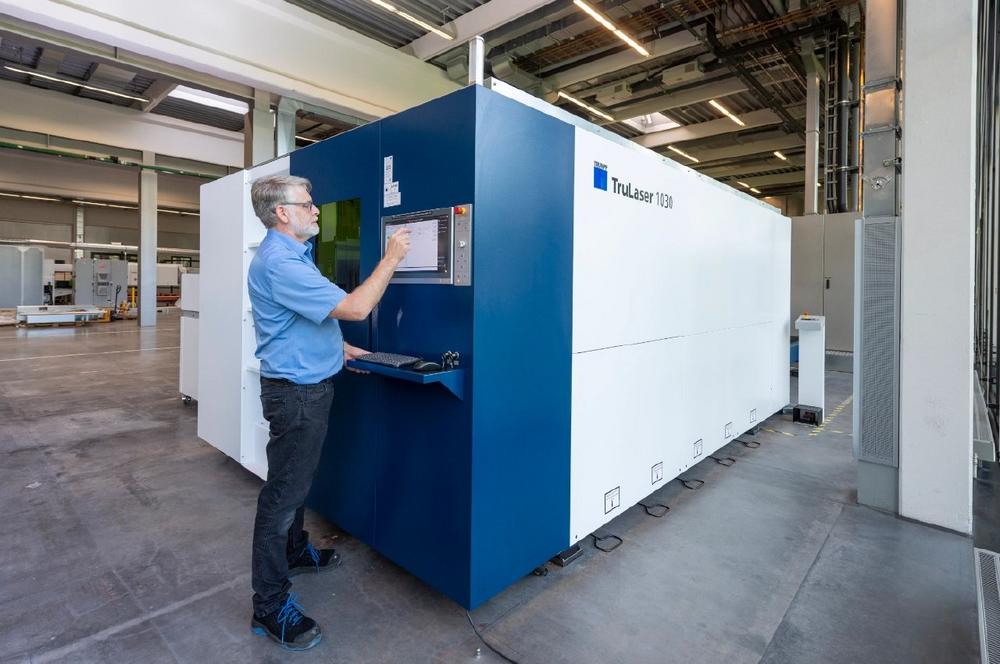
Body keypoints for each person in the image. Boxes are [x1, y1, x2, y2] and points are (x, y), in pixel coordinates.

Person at [245, 174, 410, 651]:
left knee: (295, 484)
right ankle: (269, 606)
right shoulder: (281, 263)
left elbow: (303, 320)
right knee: (282, 497)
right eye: (307, 204)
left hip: (306, 388)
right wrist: (392, 258)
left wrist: (339, 348)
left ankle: (294, 552)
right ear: (282, 213)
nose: (316, 209)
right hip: (297, 395)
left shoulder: (295, 256)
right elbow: (355, 308)